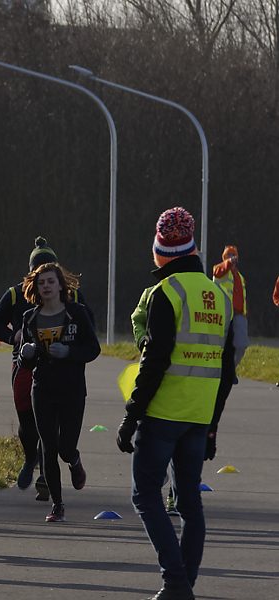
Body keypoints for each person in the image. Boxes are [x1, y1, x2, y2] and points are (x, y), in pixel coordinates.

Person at [117, 207, 235, 600]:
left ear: (160, 253)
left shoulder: (165, 293)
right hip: (199, 415)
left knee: (145, 494)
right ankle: (182, 586)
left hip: (164, 412)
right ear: (194, 249)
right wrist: (213, 424)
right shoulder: (220, 297)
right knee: (189, 504)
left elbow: (154, 360)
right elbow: (227, 370)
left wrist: (131, 415)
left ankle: (176, 582)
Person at [0, 236, 90, 500]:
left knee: (53, 427)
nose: (45, 282)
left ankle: (46, 475)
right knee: (27, 421)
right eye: (38, 272)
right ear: (31, 273)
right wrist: (14, 337)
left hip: (65, 370)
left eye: (49, 273)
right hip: (25, 365)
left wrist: (71, 349)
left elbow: (89, 329)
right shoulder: (15, 294)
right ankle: (30, 457)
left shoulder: (72, 296)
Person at [16, 262, 100, 522]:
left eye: (51, 281)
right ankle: (57, 504)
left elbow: (93, 349)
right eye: (41, 283)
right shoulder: (30, 318)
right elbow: (25, 363)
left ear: (61, 285)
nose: (46, 286)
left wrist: (69, 353)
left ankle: (74, 461)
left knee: (65, 447)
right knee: (48, 448)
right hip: (42, 389)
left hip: (72, 389)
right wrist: (26, 354)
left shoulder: (77, 313)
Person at [210, 245, 248, 374]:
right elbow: (217, 272)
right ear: (224, 257)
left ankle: (229, 371)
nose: (232, 257)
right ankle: (222, 372)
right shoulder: (220, 270)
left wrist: (244, 313)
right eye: (229, 255)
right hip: (224, 314)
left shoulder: (240, 277)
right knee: (222, 346)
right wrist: (228, 263)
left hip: (239, 315)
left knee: (241, 345)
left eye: (234, 255)